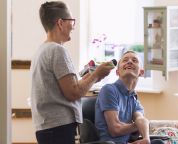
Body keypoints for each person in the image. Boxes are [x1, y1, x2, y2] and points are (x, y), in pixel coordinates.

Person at [30, 1, 115, 144]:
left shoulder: (42, 50)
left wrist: (92, 77)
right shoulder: (57, 50)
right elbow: (73, 93)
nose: (73, 26)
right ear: (60, 23)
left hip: (48, 127)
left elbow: (67, 89)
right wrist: (96, 75)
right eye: (71, 21)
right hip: (58, 128)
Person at [95, 51, 164, 144]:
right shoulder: (109, 90)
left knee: (158, 142)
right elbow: (115, 129)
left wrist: (146, 139)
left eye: (134, 60)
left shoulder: (134, 99)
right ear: (117, 72)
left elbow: (140, 119)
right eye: (125, 60)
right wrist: (139, 125)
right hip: (111, 143)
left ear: (141, 72)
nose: (130, 62)